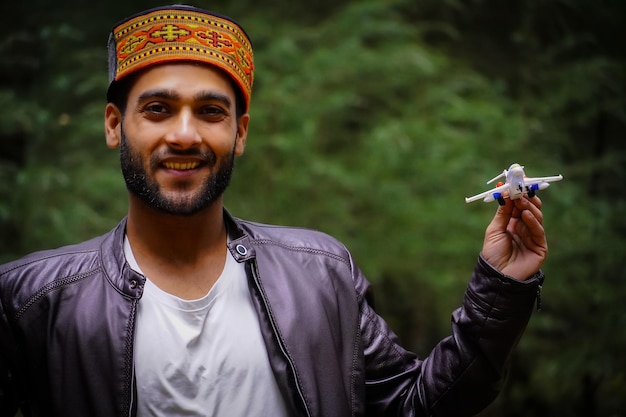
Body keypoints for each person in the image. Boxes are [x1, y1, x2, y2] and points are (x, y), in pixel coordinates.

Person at [0, 5, 547, 417]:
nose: (185, 134)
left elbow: (414, 405)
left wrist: (500, 287)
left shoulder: (322, 275)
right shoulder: (32, 302)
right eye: (159, 109)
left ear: (239, 133)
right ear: (115, 126)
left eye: (210, 112)